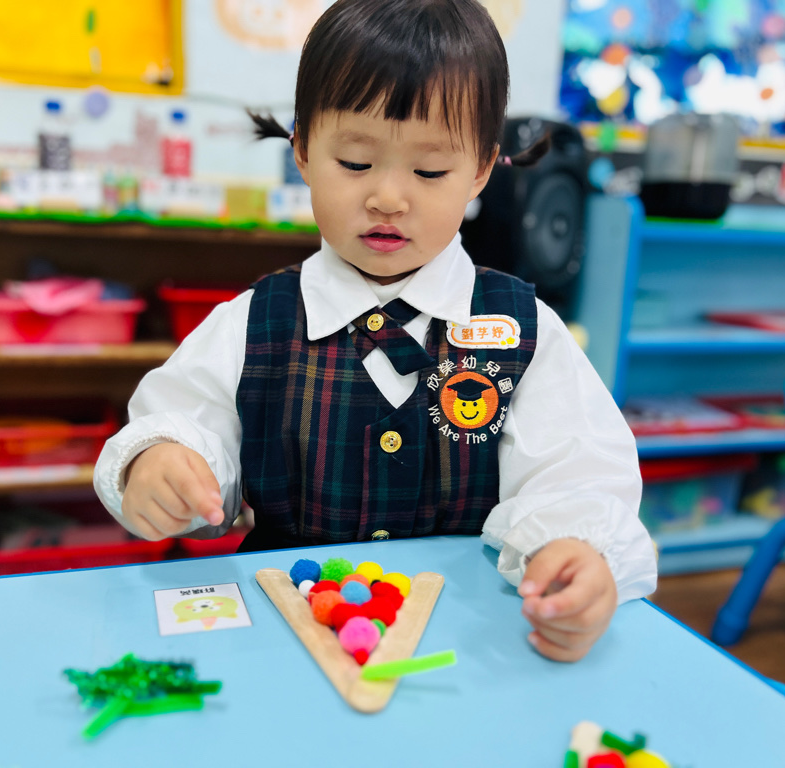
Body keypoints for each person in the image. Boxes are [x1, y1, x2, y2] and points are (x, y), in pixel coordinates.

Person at [95, 0, 657, 662]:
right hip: (286, 635)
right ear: (304, 151)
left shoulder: (521, 331)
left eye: (430, 171)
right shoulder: (254, 321)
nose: (388, 197)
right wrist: (162, 466)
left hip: (463, 642)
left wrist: (574, 553)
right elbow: (187, 427)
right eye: (356, 162)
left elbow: (576, 474)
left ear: (481, 170)